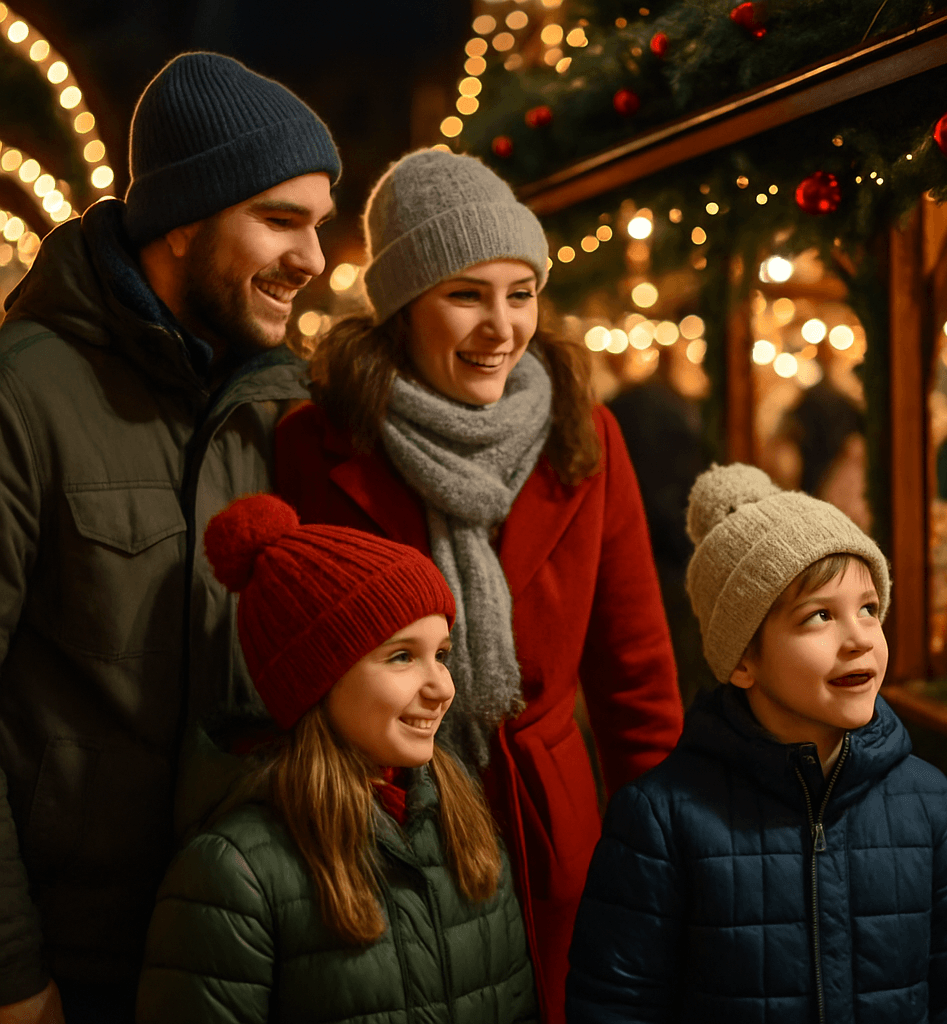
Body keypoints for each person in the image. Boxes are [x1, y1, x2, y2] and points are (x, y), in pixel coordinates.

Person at [275, 148, 683, 1023]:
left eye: (520, 291)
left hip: (551, 833)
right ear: (400, 309)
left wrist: (661, 857)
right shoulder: (321, 441)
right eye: (466, 294)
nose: (502, 325)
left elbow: (636, 668)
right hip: (384, 834)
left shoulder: (585, 431)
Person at [0, 52, 339, 1024]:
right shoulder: (26, 391)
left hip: (239, 941)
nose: (313, 258)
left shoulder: (285, 405)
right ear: (181, 220)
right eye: (280, 219)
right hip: (76, 955)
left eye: (318, 223)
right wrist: (13, 972)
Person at [566, 462, 947, 1023]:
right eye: (819, 616)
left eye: (869, 609)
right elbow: (614, 1007)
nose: (858, 640)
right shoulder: (661, 819)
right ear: (743, 659)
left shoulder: (929, 803)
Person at [136, 493, 537, 1024]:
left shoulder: (462, 823)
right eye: (401, 657)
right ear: (315, 680)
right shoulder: (234, 873)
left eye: (440, 654)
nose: (442, 685)